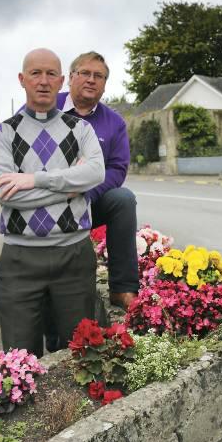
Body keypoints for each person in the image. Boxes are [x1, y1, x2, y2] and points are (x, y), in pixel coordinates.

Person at [0, 48, 104, 359]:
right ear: (21, 79)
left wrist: (33, 179)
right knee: (20, 362)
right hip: (19, 260)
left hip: (74, 257)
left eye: (51, 74)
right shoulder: (2, 134)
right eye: (35, 73)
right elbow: (5, 194)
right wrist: (69, 186)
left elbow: (96, 172)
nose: (43, 81)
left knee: (80, 356)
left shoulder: (81, 128)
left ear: (61, 80)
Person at [41, 51, 138, 351]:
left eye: (99, 76)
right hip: (46, 204)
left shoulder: (113, 122)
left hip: (89, 201)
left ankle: (122, 288)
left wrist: (85, 193)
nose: (91, 80)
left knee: (123, 200)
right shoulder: (45, 106)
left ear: (105, 85)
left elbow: (118, 169)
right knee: (55, 272)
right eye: (84, 73)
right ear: (69, 78)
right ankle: (53, 339)